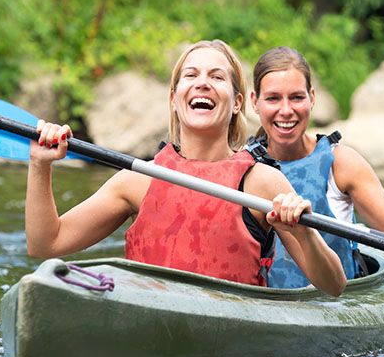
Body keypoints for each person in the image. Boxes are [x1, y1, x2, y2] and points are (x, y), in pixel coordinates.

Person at [26, 40, 347, 296]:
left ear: (237, 102)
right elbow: (45, 244)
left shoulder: (262, 183)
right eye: (191, 76)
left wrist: (305, 235)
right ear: (174, 98)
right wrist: (40, 166)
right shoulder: (137, 181)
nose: (203, 84)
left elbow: (334, 286)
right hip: (149, 327)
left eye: (217, 77)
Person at [249, 46, 384, 288]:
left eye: (296, 97)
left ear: (312, 98)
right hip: (267, 306)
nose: (286, 110)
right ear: (254, 102)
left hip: (336, 304)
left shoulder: (341, 163)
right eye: (273, 98)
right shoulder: (243, 165)